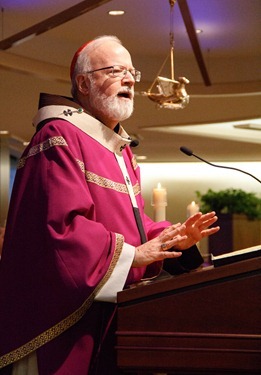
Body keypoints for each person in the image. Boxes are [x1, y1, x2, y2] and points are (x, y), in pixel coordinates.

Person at [0, 35, 219, 375]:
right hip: (62, 324)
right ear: (83, 83)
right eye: (115, 70)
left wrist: (171, 240)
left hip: (112, 315)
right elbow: (60, 231)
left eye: (132, 71)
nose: (129, 79)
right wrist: (135, 256)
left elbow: (131, 224)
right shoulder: (59, 136)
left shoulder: (118, 147)